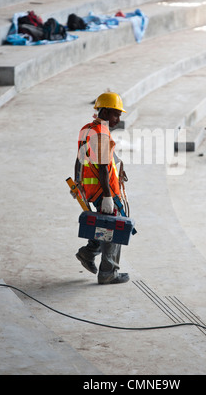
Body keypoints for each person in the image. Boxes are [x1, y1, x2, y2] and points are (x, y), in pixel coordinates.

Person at [74, 92, 130, 285]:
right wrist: (107, 196)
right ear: (105, 111)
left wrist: (78, 183)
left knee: (104, 225)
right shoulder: (102, 134)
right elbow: (104, 168)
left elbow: (80, 159)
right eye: (116, 114)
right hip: (104, 191)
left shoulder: (87, 129)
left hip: (93, 190)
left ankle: (87, 253)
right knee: (115, 228)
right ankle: (109, 272)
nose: (118, 119)